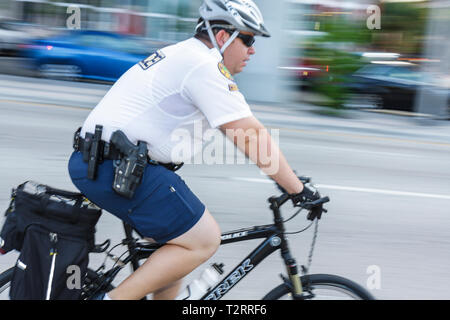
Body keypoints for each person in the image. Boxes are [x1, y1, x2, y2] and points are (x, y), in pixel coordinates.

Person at [68, 0, 320, 300]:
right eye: (248, 39)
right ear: (224, 36)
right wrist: (297, 189)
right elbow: (250, 135)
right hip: (115, 167)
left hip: (106, 164)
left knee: (175, 250)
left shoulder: (184, 53)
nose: (253, 50)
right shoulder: (204, 66)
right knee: (203, 240)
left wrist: (284, 177)